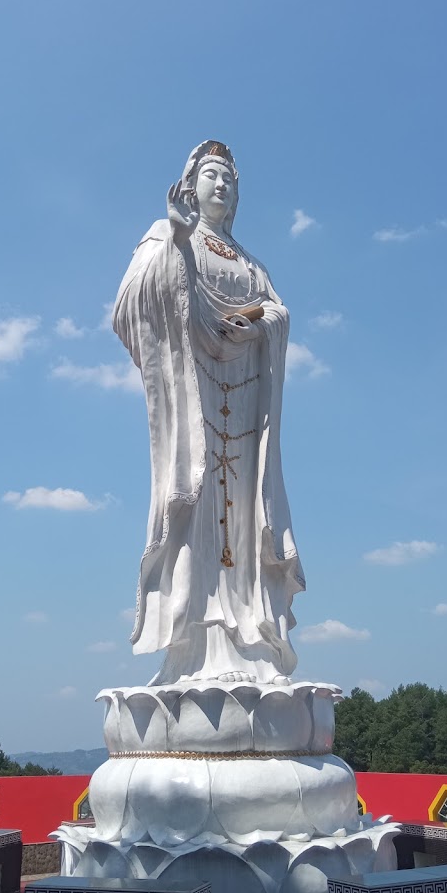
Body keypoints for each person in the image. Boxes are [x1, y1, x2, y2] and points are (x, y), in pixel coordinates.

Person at [114, 141, 305, 685]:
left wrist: (265, 323)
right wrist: (175, 238)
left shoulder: (250, 262)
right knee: (196, 505)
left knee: (246, 517)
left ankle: (251, 636)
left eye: (229, 179)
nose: (221, 186)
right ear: (190, 185)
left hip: (246, 405)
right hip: (195, 397)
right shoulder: (168, 234)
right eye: (211, 176)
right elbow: (130, 304)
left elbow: (276, 308)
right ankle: (191, 645)